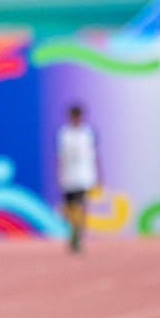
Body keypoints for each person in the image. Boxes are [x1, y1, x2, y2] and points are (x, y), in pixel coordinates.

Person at [57, 104, 98, 253]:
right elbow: (60, 156)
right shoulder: (64, 133)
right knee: (70, 208)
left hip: (84, 176)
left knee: (81, 206)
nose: (76, 119)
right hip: (69, 176)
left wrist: (97, 174)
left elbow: (94, 154)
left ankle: (79, 235)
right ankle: (73, 232)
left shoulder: (87, 133)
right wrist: (60, 174)